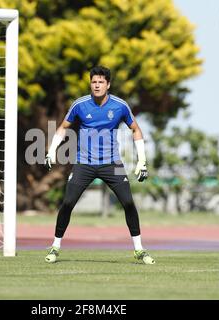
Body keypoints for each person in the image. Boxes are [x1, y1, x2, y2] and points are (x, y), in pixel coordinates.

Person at [44, 66, 154, 265]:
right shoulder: (80, 105)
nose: (97, 85)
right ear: (90, 84)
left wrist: (142, 160)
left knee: (128, 203)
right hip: (84, 163)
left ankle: (139, 250)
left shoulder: (120, 106)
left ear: (108, 85)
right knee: (67, 204)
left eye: (101, 82)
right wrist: (51, 151)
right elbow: (63, 127)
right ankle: (55, 246)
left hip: (112, 164)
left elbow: (135, 130)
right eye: (94, 82)